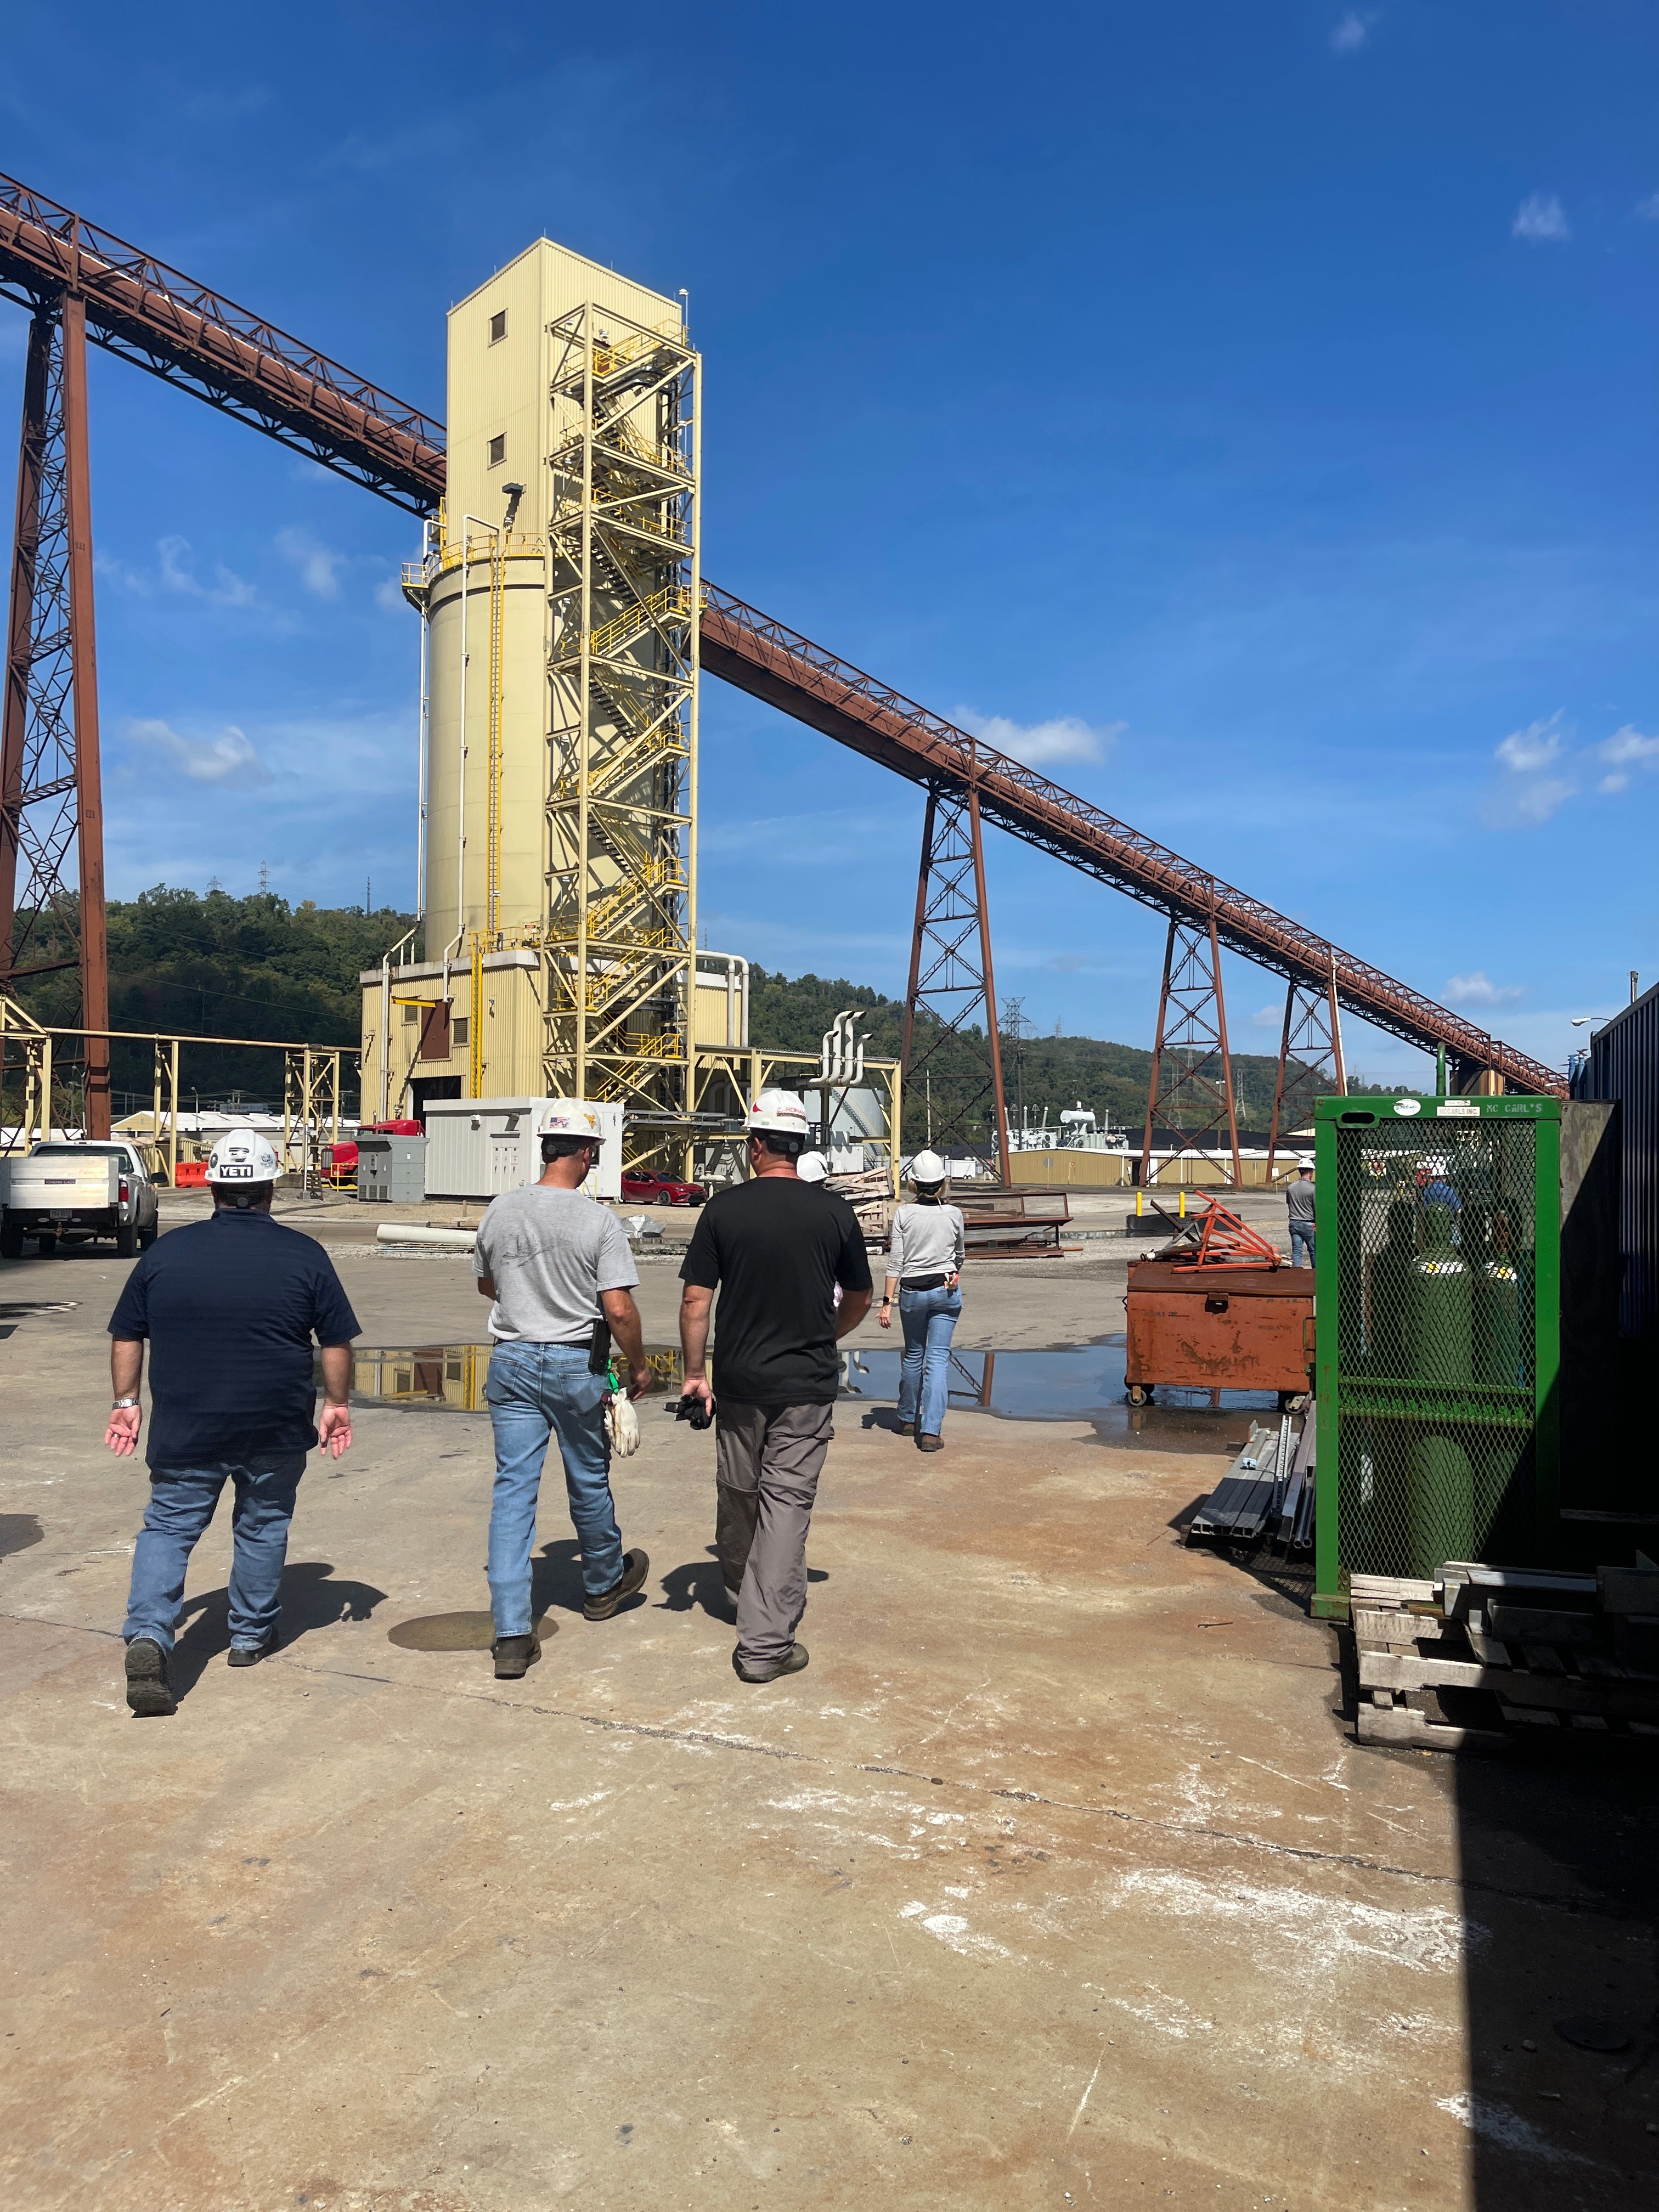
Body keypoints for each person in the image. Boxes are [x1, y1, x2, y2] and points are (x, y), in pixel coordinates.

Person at [108, 1130, 360, 1719]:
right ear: (271, 1187)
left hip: (188, 1426)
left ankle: (149, 1635)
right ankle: (248, 1637)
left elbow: (127, 1334)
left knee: (168, 1531)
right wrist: (337, 1404)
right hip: (274, 1424)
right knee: (262, 1525)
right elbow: (336, 1342)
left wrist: (126, 1403)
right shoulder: (305, 1255)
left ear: (213, 1187)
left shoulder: (165, 1255)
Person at [678, 1090, 872, 1683]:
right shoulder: (835, 1213)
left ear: (755, 1144)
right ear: (801, 1144)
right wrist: (825, 1334)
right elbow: (860, 1297)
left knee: (739, 1487)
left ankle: (743, 1589)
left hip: (740, 1381)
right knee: (785, 1503)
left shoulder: (723, 1211)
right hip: (806, 1385)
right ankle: (765, 1644)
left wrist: (695, 1373)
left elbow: (695, 1301)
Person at [474, 1099, 652, 1679]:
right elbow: (619, 1309)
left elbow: (487, 1283)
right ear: (586, 1154)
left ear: (544, 1150)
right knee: (587, 1480)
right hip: (578, 1363)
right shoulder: (598, 1221)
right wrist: (641, 1365)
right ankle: (602, 1585)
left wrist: (529, 1299)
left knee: (512, 1497)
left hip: (514, 1359)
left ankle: (510, 1634)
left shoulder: (501, 1210)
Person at [879, 1149, 965, 1451]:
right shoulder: (953, 1213)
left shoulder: (904, 1213)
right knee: (938, 1360)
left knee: (914, 1355)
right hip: (946, 1291)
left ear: (914, 1184)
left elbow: (896, 1263)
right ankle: (930, 1431)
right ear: (942, 1183)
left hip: (913, 1293)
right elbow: (960, 1254)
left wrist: (887, 1301)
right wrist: (954, 1272)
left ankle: (905, 1418)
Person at [1285, 1155, 1317, 1269]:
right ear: (1311, 1172)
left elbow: (1290, 1205)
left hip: (1294, 1222)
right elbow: (1316, 1208)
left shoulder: (1291, 1188)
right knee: (1314, 1252)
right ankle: (1315, 1275)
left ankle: (1297, 1276)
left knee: (1297, 1253)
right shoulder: (1313, 1189)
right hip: (1309, 1223)